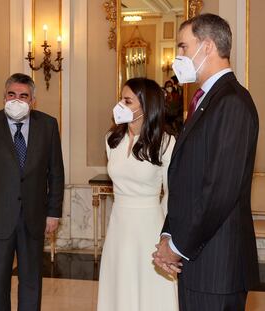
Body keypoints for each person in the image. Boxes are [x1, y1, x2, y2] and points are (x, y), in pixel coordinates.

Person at [153, 13, 259, 311]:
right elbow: (186, 180)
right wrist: (168, 233)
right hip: (199, 260)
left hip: (216, 265)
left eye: (184, 47)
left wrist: (177, 247)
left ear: (208, 46)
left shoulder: (232, 102)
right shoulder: (205, 99)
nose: (178, 55)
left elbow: (219, 191)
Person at [0, 73, 64, 311]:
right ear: (4, 97)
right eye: (12, 95)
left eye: (23, 96)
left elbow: (56, 173)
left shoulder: (48, 125)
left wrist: (54, 213)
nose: (17, 100)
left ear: (32, 101)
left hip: (34, 217)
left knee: (31, 281)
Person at [97, 78, 178, 311]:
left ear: (145, 105)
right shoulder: (111, 140)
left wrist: (166, 235)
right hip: (119, 224)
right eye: (121, 99)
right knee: (119, 284)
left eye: (127, 100)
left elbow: (171, 194)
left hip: (149, 224)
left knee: (150, 288)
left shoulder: (166, 142)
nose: (119, 105)